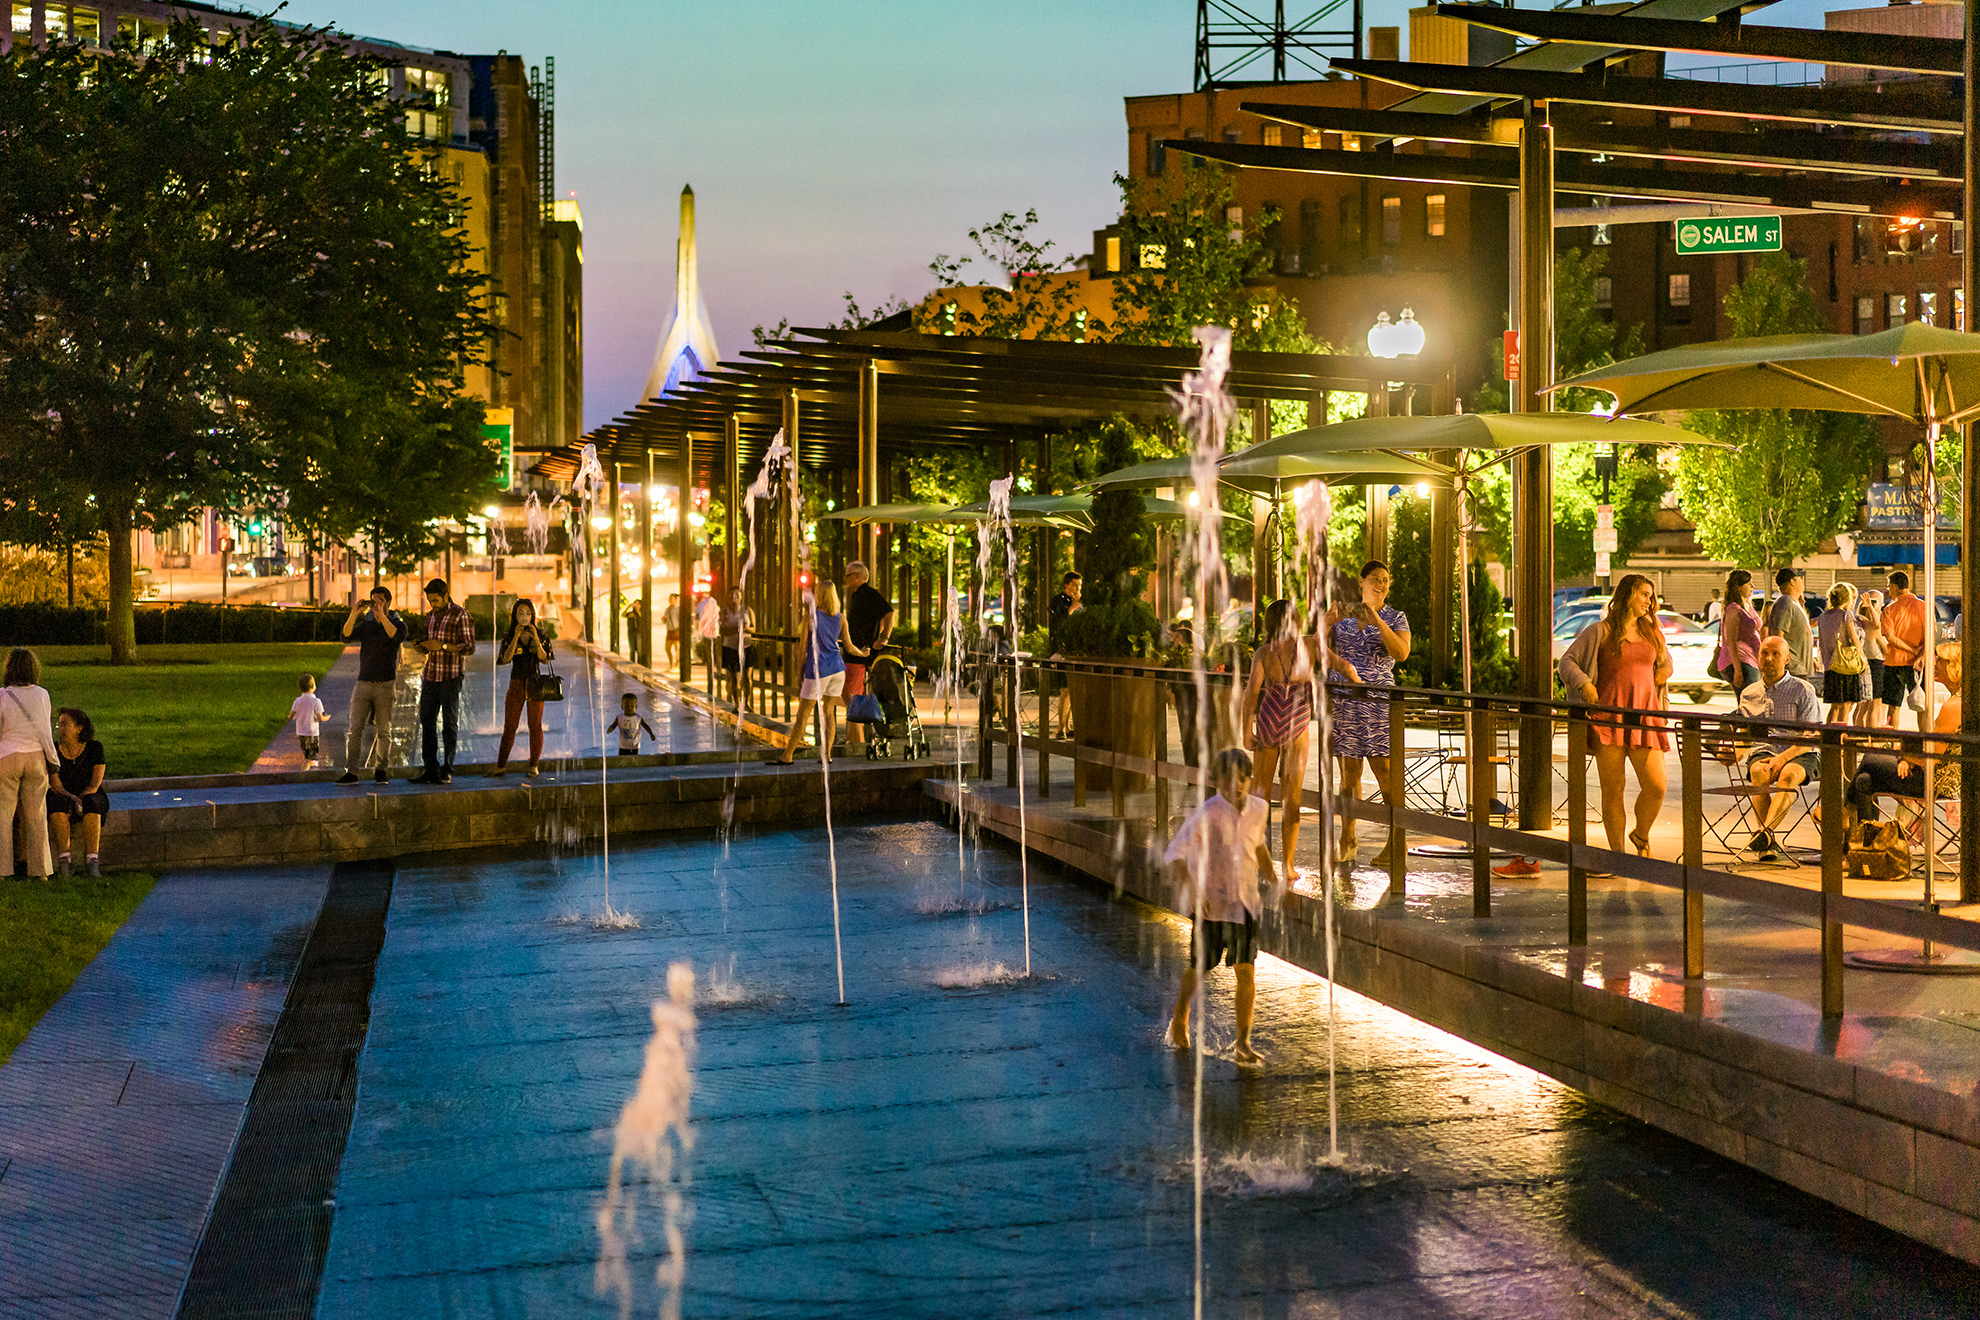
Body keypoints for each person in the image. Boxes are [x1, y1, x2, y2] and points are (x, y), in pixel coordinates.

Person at [1164, 746, 1275, 1066]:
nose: (1236, 786)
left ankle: (1242, 1041)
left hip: (1246, 902)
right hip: (1211, 905)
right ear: (1216, 782)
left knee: (1246, 971)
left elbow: (1258, 844)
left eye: (1242, 779)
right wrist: (1195, 893)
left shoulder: (1259, 808)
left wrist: (1275, 879)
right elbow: (1175, 853)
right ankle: (1181, 1011)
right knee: (1201, 965)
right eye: (1229, 780)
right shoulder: (1207, 813)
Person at [1557, 574, 1672, 860]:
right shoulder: (1601, 631)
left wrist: (1665, 672)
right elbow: (1566, 663)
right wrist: (1585, 684)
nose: (1649, 601)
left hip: (1644, 716)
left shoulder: (1652, 632)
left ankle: (1640, 833)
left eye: (1650, 595)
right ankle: (1618, 855)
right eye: (1644, 594)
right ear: (1628, 595)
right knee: (1614, 788)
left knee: (1656, 786)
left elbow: (1666, 661)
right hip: (1607, 717)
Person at [1323, 560, 1410, 866]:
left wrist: (1377, 621)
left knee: (1384, 769)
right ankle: (1347, 837)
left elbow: (1401, 653)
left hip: (1378, 702)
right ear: (1360, 581)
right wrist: (1325, 623)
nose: (1381, 584)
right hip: (1346, 700)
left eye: (1386, 580)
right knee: (1349, 772)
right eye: (1375, 579)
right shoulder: (1343, 617)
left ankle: (1397, 841)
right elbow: (1317, 650)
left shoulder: (1395, 616)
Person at [1848, 645, 1962, 834]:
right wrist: (1908, 758)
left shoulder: (1954, 706)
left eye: (1940, 660)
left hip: (1940, 782)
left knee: (1870, 758)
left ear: (1953, 667)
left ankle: (1845, 817)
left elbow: (1933, 755)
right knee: (1864, 780)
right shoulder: (1961, 700)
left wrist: (1906, 758)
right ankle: (1865, 843)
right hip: (1936, 773)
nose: (1935, 663)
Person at [1242, 600, 1317, 876]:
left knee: (1259, 797)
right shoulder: (1308, 646)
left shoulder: (1264, 652)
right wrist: (1351, 673)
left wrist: (1245, 730)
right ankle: (1287, 864)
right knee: (1291, 799)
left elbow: (1252, 692)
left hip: (1269, 721)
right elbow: (1333, 659)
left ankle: (1255, 859)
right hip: (1297, 723)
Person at [1739, 636, 1823, 861]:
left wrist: (1782, 758)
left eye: (1775, 654)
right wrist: (1731, 752)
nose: (1769, 658)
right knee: (1758, 772)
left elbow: (1811, 736)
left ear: (1787, 659)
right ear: (1757, 657)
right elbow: (1746, 737)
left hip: (1800, 751)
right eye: (1765, 653)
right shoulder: (1748, 694)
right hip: (1765, 750)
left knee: (1788, 775)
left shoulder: (1802, 690)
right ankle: (1766, 838)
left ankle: (1764, 834)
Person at [775, 580, 860, 764]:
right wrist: (865, 653)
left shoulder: (810, 617)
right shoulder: (841, 617)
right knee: (829, 712)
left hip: (818, 669)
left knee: (803, 714)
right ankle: (826, 755)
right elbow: (849, 646)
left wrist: (799, 674)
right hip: (837, 669)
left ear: (819, 596)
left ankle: (787, 755)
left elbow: (801, 649)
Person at [410, 577, 475, 786]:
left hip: (450, 676)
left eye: (436, 600)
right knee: (426, 721)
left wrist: (444, 647)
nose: (433, 604)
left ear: (446, 596)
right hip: (430, 675)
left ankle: (447, 768)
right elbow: (429, 642)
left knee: (449, 724)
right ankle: (430, 767)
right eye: (430, 600)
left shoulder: (460, 615)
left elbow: (469, 647)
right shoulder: (430, 616)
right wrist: (422, 646)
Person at [0, 648, 56, 879]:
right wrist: (53, 761)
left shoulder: (2, 695)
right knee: (37, 816)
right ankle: (41, 870)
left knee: (3, 816)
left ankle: (3, 871)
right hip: (35, 757)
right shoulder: (42, 695)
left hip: (7, 756)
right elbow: (45, 732)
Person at [337, 587, 402, 786]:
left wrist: (382, 616)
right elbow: (346, 636)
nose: (375, 605)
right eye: (373, 601)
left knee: (384, 731)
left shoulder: (398, 624)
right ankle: (352, 772)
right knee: (354, 729)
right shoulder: (366, 626)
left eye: (380, 601)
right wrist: (353, 614)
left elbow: (395, 636)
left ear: (388, 603)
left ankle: (381, 770)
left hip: (385, 685)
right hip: (363, 683)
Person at [489, 598, 553, 778]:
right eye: (520, 614)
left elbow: (544, 658)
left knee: (535, 725)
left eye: (527, 613)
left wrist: (536, 639)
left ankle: (533, 765)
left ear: (533, 615)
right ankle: (501, 766)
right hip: (516, 682)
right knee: (510, 725)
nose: (524, 617)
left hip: (535, 683)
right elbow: (506, 659)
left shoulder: (541, 634)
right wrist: (516, 636)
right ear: (515, 616)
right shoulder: (509, 635)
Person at [47, 708, 107, 878]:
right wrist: (72, 798)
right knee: (56, 803)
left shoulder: (94, 748)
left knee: (92, 803)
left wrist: (80, 799)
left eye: (65, 724)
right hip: (64, 793)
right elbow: (56, 784)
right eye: (59, 724)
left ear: (79, 728)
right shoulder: (54, 750)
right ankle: (65, 861)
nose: (60, 728)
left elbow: (95, 783)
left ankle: (92, 861)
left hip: (89, 792)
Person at [841, 561, 894, 749]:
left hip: (860, 654)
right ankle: (852, 737)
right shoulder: (857, 596)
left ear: (857, 576)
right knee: (849, 695)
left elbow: (888, 613)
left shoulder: (869, 594)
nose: (845, 579)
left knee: (851, 695)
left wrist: (884, 637)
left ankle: (858, 741)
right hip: (853, 653)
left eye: (848, 575)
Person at [1880, 570, 1930, 731]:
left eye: (1889, 587)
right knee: (1922, 706)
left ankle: (1893, 743)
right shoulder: (1924, 607)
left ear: (1895, 587)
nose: (1888, 590)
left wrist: (1911, 651)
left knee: (1893, 706)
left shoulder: (1889, 609)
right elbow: (1931, 635)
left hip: (1895, 662)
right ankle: (1926, 741)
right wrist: (1920, 654)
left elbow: (1890, 637)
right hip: (1920, 664)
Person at [1817, 582, 1869, 724]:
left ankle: (1828, 737)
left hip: (1830, 665)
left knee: (1834, 706)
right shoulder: (1846, 615)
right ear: (1847, 599)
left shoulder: (1822, 617)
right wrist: (1862, 660)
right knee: (1845, 705)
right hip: (1846, 664)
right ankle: (1840, 736)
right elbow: (1853, 639)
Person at [1714, 569, 1762, 695]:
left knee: (1752, 703)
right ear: (1739, 587)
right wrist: (1737, 670)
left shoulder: (1746, 605)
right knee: (1748, 702)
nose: (1753, 586)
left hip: (1752, 660)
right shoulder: (1733, 610)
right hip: (1741, 661)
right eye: (1749, 583)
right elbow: (1731, 641)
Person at [1047, 571, 1083, 738]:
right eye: (1074, 585)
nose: (1077, 588)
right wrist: (1071, 609)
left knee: (1071, 689)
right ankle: (1061, 727)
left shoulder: (1077, 602)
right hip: (1060, 650)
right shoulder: (1057, 601)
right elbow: (1057, 625)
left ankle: (1067, 726)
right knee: (1065, 689)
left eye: (1079, 585)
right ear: (1067, 584)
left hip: (1074, 650)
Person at [1764, 568, 1813, 677]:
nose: (1802, 581)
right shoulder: (1785, 602)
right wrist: (1783, 663)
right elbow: (1777, 635)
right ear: (1792, 582)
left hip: (1800, 669)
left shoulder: (1793, 603)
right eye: (1799, 578)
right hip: (1792, 670)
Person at [718, 587, 756, 708]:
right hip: (730, 647)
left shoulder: (747, 610)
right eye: (731, 596)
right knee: (734, 676)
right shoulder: (724, 612)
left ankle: (747, 702)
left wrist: (745, 629)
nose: (734, 598)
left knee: (747, 676)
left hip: (746, 645)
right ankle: (736, 703)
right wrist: (737, 629)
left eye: (737, 596)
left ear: (741, 597)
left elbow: (754, 628)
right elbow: (722, 631)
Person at [1857, 588, 1887, 728]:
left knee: (1862, 707)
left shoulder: (1857, 623)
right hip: (1875, 664)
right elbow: (1886, 649)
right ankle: (1871, 738)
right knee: (1874, 705)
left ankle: (1858, 736)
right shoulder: (1872, 627)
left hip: (1862, 664)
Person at [290, 675, 328, 770]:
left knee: (307, 755)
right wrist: (326, 717)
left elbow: (291, 715)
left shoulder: (297, 701)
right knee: (310, 757)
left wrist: (289, 716)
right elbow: (319, 717)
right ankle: (304, 775)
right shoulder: (316, 701)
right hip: (312, 733)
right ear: (313, 686)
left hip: (301, 733)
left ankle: (306, 770)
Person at [609, 693, 658, 758]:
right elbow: (613, 725)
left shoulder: (638, 718)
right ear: (622, 707)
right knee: (622, 760)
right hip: (623, 746)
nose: (629, 708)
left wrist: (651, 734)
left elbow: (646, 726)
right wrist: (610, 729)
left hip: (634, 746)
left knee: (634, 760)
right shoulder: (620, 717)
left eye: (632, 706)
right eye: (627, 706)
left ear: (636, 707)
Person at [693, 591, 723, 683]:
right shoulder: (716, 605)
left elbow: (697, 616)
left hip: (708, 633)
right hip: (715, 633)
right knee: (717, 653)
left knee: (710, 652)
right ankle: (718, 670)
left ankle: (711, 671)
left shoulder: (702, 604)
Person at [662, 592, 680, 669]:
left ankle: (677, 663)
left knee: (677, 647)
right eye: (669, 598)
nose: (670, 600)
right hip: (670, 630)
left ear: (676, 599)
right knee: (667, 648)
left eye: (671, 598)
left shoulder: (679, 609)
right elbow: (666, 621)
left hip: (677, 629)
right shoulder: (667, 609)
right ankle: (671, 662)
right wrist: (664, 620)